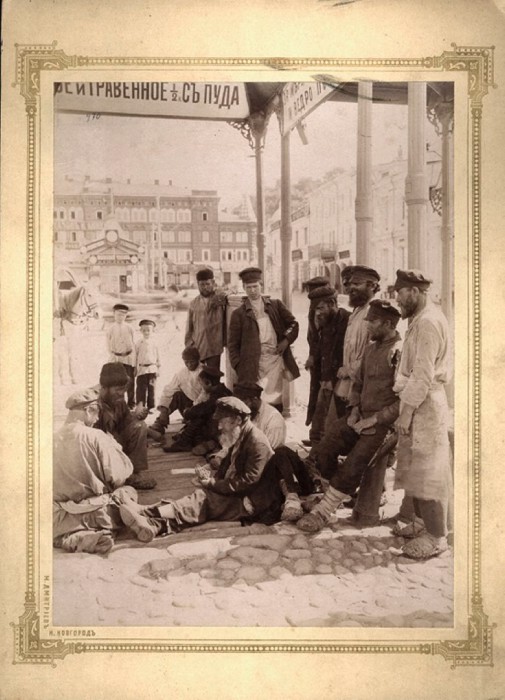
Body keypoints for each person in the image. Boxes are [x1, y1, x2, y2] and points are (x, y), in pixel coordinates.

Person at [297, 300, 402, 532]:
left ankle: (324, 511)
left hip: (385, 425)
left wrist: (375, 419)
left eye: (373, 321)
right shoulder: (371, 350)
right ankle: (333, 494)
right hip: (360, 416)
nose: (368, 326)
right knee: (325, 447)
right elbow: (358, 384)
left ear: (388, 324)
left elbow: (403, 400)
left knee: (355, 462)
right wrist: (354, 410)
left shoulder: (398, 353)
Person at [118, 397, 286, 540]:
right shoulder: (242, 435)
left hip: (252, 503)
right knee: (199, 503)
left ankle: (147, 512)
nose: (219, 427)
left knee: (203, 500)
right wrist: (211, 479)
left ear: (237, 420)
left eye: (222, 422)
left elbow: (248, 482)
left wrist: (212, 484)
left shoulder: (257, 442)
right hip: (240, 494)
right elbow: (227, 467)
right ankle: (154, 526)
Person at [392, 269, 452, 560]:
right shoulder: (419, 320)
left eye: (400, 294)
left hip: (425, 405)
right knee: (415, 467)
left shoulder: (428, 322)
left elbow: (422, 376)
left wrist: (405, 413)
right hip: (418, 402)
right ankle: (420, 523)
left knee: (428, 471)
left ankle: (437, 537)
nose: (397, 300)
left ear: (414, 292)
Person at [53, 387, 146, 554]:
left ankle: (73, 537)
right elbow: (118, 476)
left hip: (63, 517)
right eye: (96, 413)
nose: (96, 419)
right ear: (88, 410)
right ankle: (105, 530)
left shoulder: (51, 439)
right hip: (100, 512)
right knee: (128, 491)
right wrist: (115, 447)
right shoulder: (96, 436)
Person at [232, 382, 317, 521]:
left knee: (280, 453)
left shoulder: (273, 418)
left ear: (254, 399)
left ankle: (292, 498)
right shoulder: (244, 416)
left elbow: (267, 456)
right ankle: (292, 500)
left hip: (279, 469)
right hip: (264, 471)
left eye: (243, 402)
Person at [228, 266, 300, 410]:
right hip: (253, 366)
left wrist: (285, 341)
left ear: (261, 285)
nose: (252, 291)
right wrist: (239, 366)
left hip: (274, 361)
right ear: (244, 288)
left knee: (275, 401)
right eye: (248, 287)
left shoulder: (275, 306)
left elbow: (293, 324)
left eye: (255, 286)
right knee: (255, 404)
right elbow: (232, 345)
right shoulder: (239, 314)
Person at [95, 362, 156, 489]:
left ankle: (134, 473)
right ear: (104, 387)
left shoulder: (118, 399)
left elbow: (127, 423)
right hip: (101, 452)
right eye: (118, 389)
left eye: (124, 389)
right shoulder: (93, 404)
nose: (122, 393)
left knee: (139, 426)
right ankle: (122, 476)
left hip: (114, 445)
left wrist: (137, 417)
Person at [306, 286, 350, 445]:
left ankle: (323, 449)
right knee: (319, 416)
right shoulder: (326, 321)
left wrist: (332, 379)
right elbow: (322, 346)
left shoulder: (347, 321)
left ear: (332, 304)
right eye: (315, 309)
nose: (317, 313)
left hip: (340, 382)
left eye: (321, 308)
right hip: (325, 380)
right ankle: (316, 445)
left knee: (332, 422)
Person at [163, 365, 232, 454]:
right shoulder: (222, 391)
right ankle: (188, 439)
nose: (202, 388)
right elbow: (203, 406)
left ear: (208, 383)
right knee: (198, 414)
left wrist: (188, 412)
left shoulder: (218, 396)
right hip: (217, 427)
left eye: (202, 385)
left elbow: (204, 408)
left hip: (219, 431)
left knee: (199, 417)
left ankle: (184, 441)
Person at [149, 346, 203, 439]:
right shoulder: (182, 373)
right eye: (186, 362)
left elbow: (205, 395)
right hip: (188, 407)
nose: (189, 365)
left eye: (192, 362)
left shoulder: (204, 371)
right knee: (177, 395)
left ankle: (190, 426)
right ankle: (159, 424)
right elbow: (169, 389)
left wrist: (192, 410)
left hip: (201, 407)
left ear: (198, 360)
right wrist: (164, 410)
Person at [303, 276, 330, 437]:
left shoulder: (325, 311)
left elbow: (321, 337)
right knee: (315, 394)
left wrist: (313, 355)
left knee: (322, 396)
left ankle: (319, 434)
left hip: (323, 359)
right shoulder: (313, 309)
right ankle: (316, 431)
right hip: (317, 359)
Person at [184, 267, 227, 370]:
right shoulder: (193, 304)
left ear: (213, 283)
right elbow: (189, 328)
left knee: (213, 375)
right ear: (198, 284)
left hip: (214, 348)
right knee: (197, 376)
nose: (205, 287)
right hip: (198, 347)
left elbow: (231, 293)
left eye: (208, 284)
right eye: (202, 284)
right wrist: (189, 346)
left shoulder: (220, 299)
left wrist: (220, 293)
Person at [106, 303, 136, 408]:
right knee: (118, 382)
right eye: (118, 314)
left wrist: (133, 360)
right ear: (114, 314)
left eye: (123, 315)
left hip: (128, 358)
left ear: (126, 315)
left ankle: (131, 403)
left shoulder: (129, 328)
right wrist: (112, 358)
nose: (120, 317)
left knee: (130, 382)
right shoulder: (111, 329)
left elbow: (134, 344)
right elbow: (108, 345)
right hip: (116, 358)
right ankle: (120, 403)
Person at [135, 319, 160, 411]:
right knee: (141, 388)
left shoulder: (155, 343)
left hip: (152, 368)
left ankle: (151, 406)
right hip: (142, 369)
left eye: (148, 330)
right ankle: (140, 406)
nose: (146, 332)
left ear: (152, 330)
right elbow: (135, 356)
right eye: (144, 330)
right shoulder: (138, 343)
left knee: (152, 388)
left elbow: (158, 357)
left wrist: (158, 368)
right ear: (141, 331)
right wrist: (135, 368)